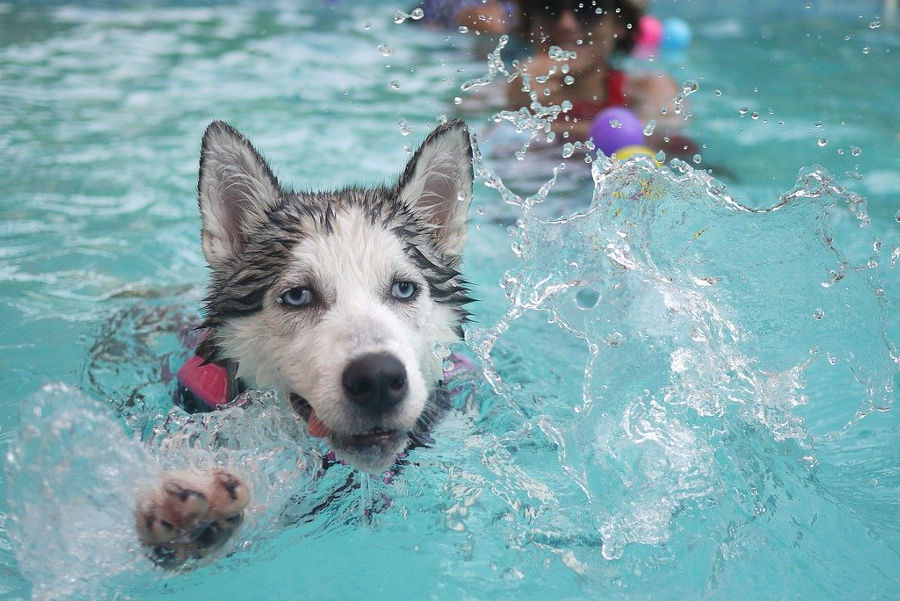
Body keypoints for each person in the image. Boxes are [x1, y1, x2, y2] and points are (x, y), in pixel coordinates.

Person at [510, 0, 696, 157]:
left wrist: (526, 127)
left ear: (620, 23)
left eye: (587, 8)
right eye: (548, 7)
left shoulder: (648, 89)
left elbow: (671, 144)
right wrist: (518, 105)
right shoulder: (507, 91)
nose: (566, 24)